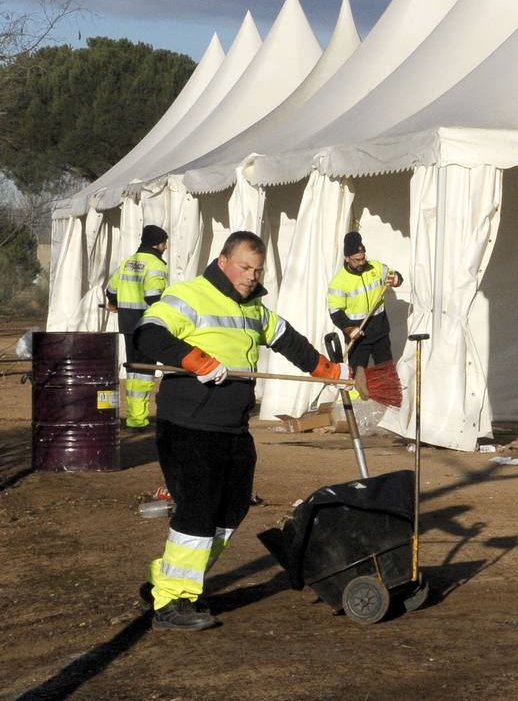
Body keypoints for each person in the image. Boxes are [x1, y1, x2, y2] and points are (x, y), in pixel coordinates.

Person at [134, 231, 345, 630]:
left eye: (258, 269)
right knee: (197, 512)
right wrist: (194, 358)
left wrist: (332, 372)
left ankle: (167, 580)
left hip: (232, 427)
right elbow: (148, 334)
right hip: (189, 425)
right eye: (245, 266)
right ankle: (172, 603)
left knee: (231, 511)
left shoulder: (254, 308)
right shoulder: (189, 295)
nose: (251, 275)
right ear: (222, 261)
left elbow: (290, 342)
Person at [326, 231, 405, 406]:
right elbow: (335, 312)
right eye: (357, 260)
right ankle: (356, 411)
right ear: (347, 258)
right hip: (358, 336)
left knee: (385, 371)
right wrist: (349, 329)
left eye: (363, 258)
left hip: (380, 332)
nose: (362, 262)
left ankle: (388, 406)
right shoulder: (339, 282)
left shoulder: (375, 268)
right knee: (358, 376)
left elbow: (394, 275)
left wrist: (397, 279)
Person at [106, 225, 169, 428]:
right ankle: (138, 418)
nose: (166, 247)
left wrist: (115, 304)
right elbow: (153, 297)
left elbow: (111, 290)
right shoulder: (156, 265)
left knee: (133, 368)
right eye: (164, 242)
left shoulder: (128, 262)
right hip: (147, 325)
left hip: (127, 324)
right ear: (157, 243)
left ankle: (135, 416)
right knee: (144, 370)